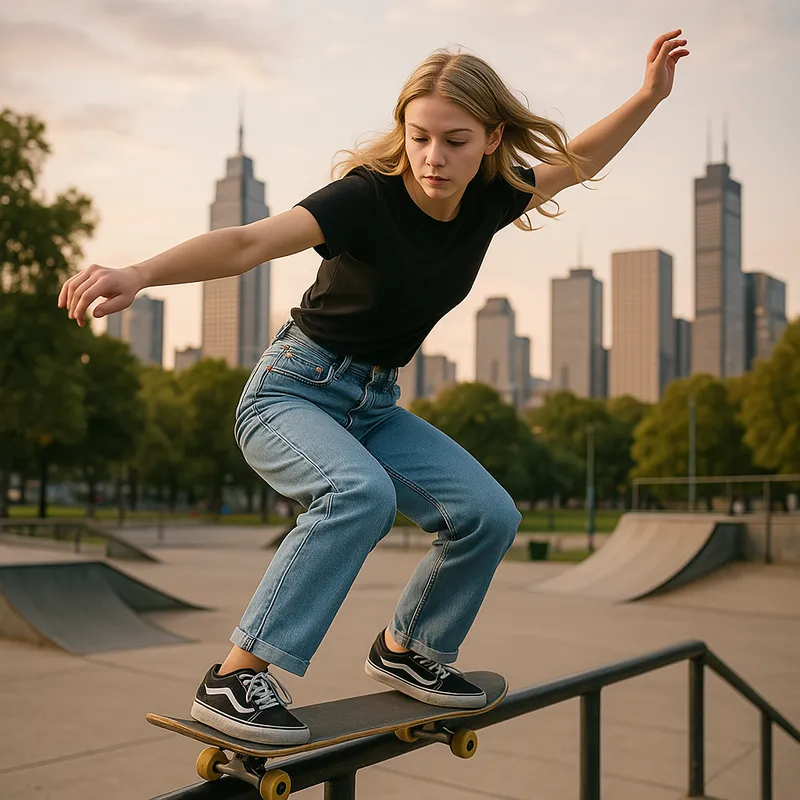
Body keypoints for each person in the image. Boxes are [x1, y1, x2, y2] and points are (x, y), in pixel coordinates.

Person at [59, 32, 688, 744]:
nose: (433, 158)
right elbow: (248, 243)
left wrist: (647, 96)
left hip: (375, 407)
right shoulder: (365, 198)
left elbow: (579, 161)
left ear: (491, 139)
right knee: (360, 495)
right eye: (419, 138)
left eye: (454, 141)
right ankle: (235, 676)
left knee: (488, 514)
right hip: (290, 394)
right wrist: (139, 274)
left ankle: (406, 649)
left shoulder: (492, 199)